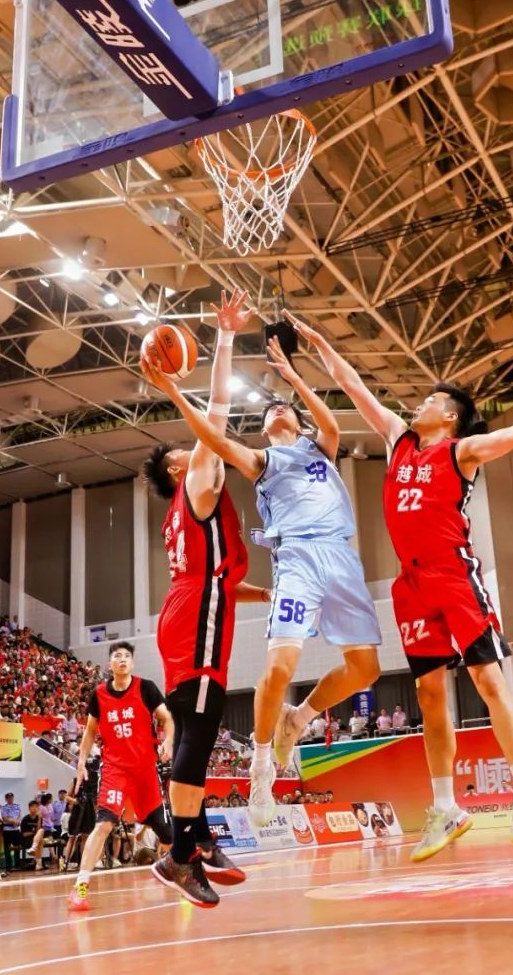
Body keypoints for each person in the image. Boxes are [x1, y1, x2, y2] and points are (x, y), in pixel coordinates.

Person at [284, 308, 513, 859]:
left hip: (453, 575)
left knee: (488, 680)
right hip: (411, 585)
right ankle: (446, 807)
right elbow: (353, 386)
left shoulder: (461, 451)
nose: (418, 405)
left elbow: (512, 435)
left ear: (449, 416)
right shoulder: (398, 440)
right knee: (429, 694)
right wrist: (319, 344)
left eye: (429, 401)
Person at [143, 324, 382, 832]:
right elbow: (212, 436)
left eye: (284, 409)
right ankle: (260, 765)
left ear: (297, 419)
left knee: (366, 670)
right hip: (295, 560)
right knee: (278, 670)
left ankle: (298, 719)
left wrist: (293, 377)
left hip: (339, 558)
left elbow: (329, 423)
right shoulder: (261, 461)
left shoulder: (320, 449)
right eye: (269, 410)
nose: (276, 410)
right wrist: (175, 394)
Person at [140, 289, 269, 901]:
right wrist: (223, 338)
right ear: (176, 469)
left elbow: (224, 583)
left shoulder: (189, 506)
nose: (194, 449)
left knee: (201, 725)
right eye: (184, 450)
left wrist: (270, 595)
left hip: (195, 604)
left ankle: (198, 837)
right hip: (196, 611)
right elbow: (216, 409)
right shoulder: (198, 478)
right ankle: (180, 853)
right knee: (199, 729)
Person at [68, 642, 175, 912]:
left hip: (145, 770)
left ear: (132, 663)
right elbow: (90, 730)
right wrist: (81, 761)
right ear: (110, 664)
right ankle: (80, 886)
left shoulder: (146, 688)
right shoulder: (99, 694)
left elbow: (167, 718)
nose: (123, 659)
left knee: (166, 833)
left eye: (127, 656)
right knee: (104, 824)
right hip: (115, 769)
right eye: (117, 656)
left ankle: (178, 870)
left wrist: (168, 741)